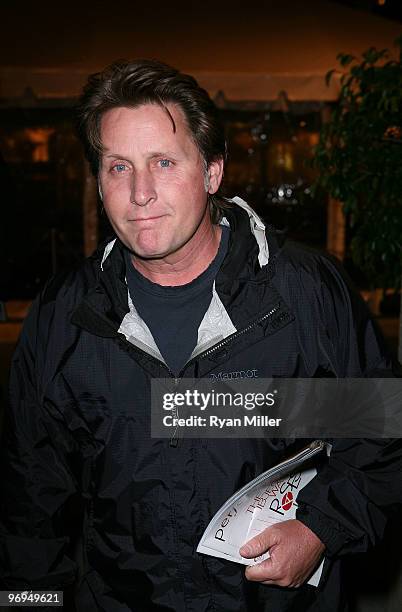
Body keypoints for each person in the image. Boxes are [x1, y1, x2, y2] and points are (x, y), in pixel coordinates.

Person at [0, 59, 401, 612]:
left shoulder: (303, 296)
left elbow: (380, 436)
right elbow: (28, 505)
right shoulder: (64, 317)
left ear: (212, 171)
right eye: (118, 167)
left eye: (164, 162)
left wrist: (321, 530)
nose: (139, 193)